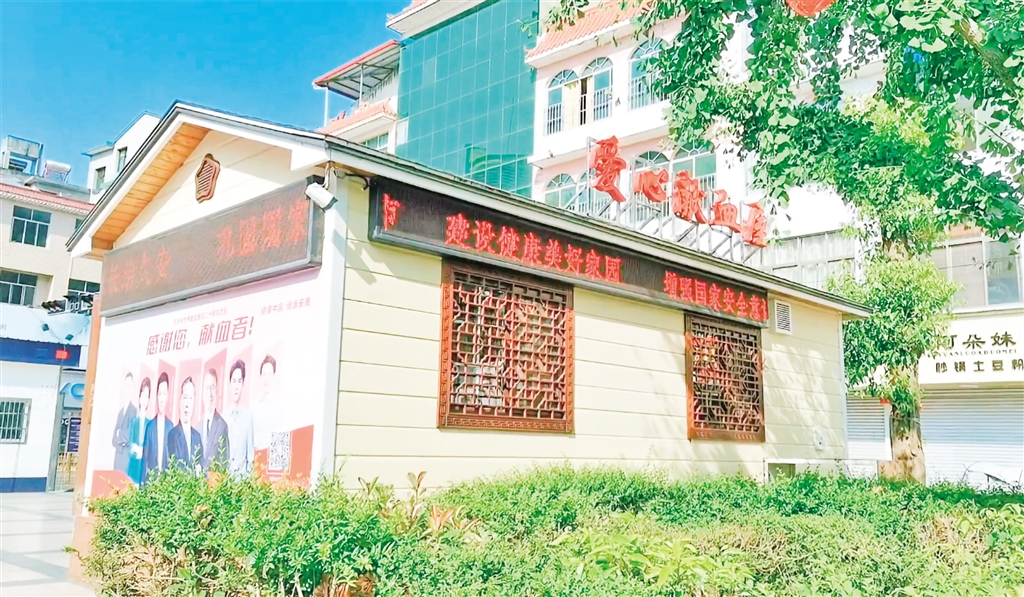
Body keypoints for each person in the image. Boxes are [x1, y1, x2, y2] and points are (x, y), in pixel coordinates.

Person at [142, 372, 174, 483]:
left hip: (166, 484)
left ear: (168, 396)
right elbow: (144, 460)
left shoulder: (171, 427)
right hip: (151, 483)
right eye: (160, 394)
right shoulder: (150, 427)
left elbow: (172, 460)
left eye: (164, 394)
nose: (161, 399)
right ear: (156, 396)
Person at [225, 359, 254, 477]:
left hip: (241, 483)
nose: (236, 386)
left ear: (243, 384)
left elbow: (250, 458)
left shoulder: (248, 417)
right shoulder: (223, 418)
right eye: (234, 381)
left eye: (239, 381)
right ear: (229, 384)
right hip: (224, 484)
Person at [168, 377, 203, 473]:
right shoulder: (172, 435)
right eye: (185, 398)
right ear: (180, 401)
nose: (187, 404)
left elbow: (202, 466)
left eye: (191, 398)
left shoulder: (197, 437)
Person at [200, 368, 229, 471]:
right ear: (202, 392)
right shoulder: (197, 427)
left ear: (217, 391)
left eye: (212, 388)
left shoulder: (222, 426)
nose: (210, 393)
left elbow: (224, 464)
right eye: (207, 388)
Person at [126, 377, 150, 485]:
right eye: (142, 396)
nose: (144, 400)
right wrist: (137, 450)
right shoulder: (134, 422)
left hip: (144, 470)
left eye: (146, 397)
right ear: (139, 397)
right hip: (133, 469)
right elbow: (130, 448)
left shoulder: (150, 424)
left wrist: (141, 450)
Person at [112, 372, 136, 472]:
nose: (127, 389)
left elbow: (130, 434)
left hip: (126, 457)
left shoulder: (134, 411)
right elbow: (114, 438)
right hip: (118, 456)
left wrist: (120, 434)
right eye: (126, 386)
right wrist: (119, 438)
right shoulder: (120, 412)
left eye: (129, 386)